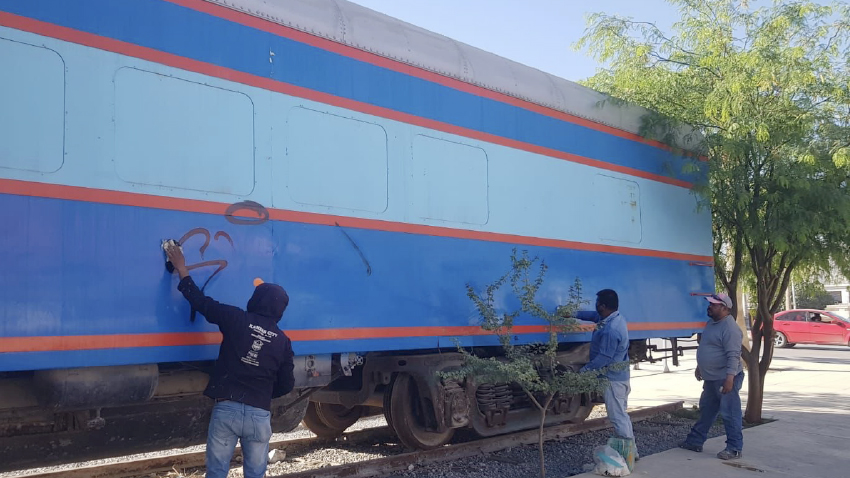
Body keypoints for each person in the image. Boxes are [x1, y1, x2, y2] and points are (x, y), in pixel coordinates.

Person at [164, 242, 295, 478]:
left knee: (216, 472)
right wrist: (261, 395)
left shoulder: (236, 318)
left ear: (257, 299)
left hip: (227, 410)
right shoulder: (283, 342)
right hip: (259, 415)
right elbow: (286, 384)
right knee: (255, 474)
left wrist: (181, 268)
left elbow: (201, 302)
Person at [679, 292, 744, 460]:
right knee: (707, 411)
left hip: (725, 378)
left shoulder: (730, 329)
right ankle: (695, 441)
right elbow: (706, 347)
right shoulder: (711, 323)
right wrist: (700, 366)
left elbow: (733, 355)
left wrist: (730, 379)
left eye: (713, 305)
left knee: (730, 413)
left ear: (724, 308)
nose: (709, 307)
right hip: (711, 378)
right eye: (710, 304)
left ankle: (734, 448)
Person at [577, 289, 635, 450]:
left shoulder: (611, 330)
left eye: (597, 304)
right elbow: (592, 316)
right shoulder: (613, 318)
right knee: (622, 415)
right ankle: (632, 452)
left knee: (617, 417)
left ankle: (627, 453)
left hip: (612, 380)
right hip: (620, 377)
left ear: (602, 306)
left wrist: (583, 372)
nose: (595, 307)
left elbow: (603, 358)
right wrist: (574, 314)